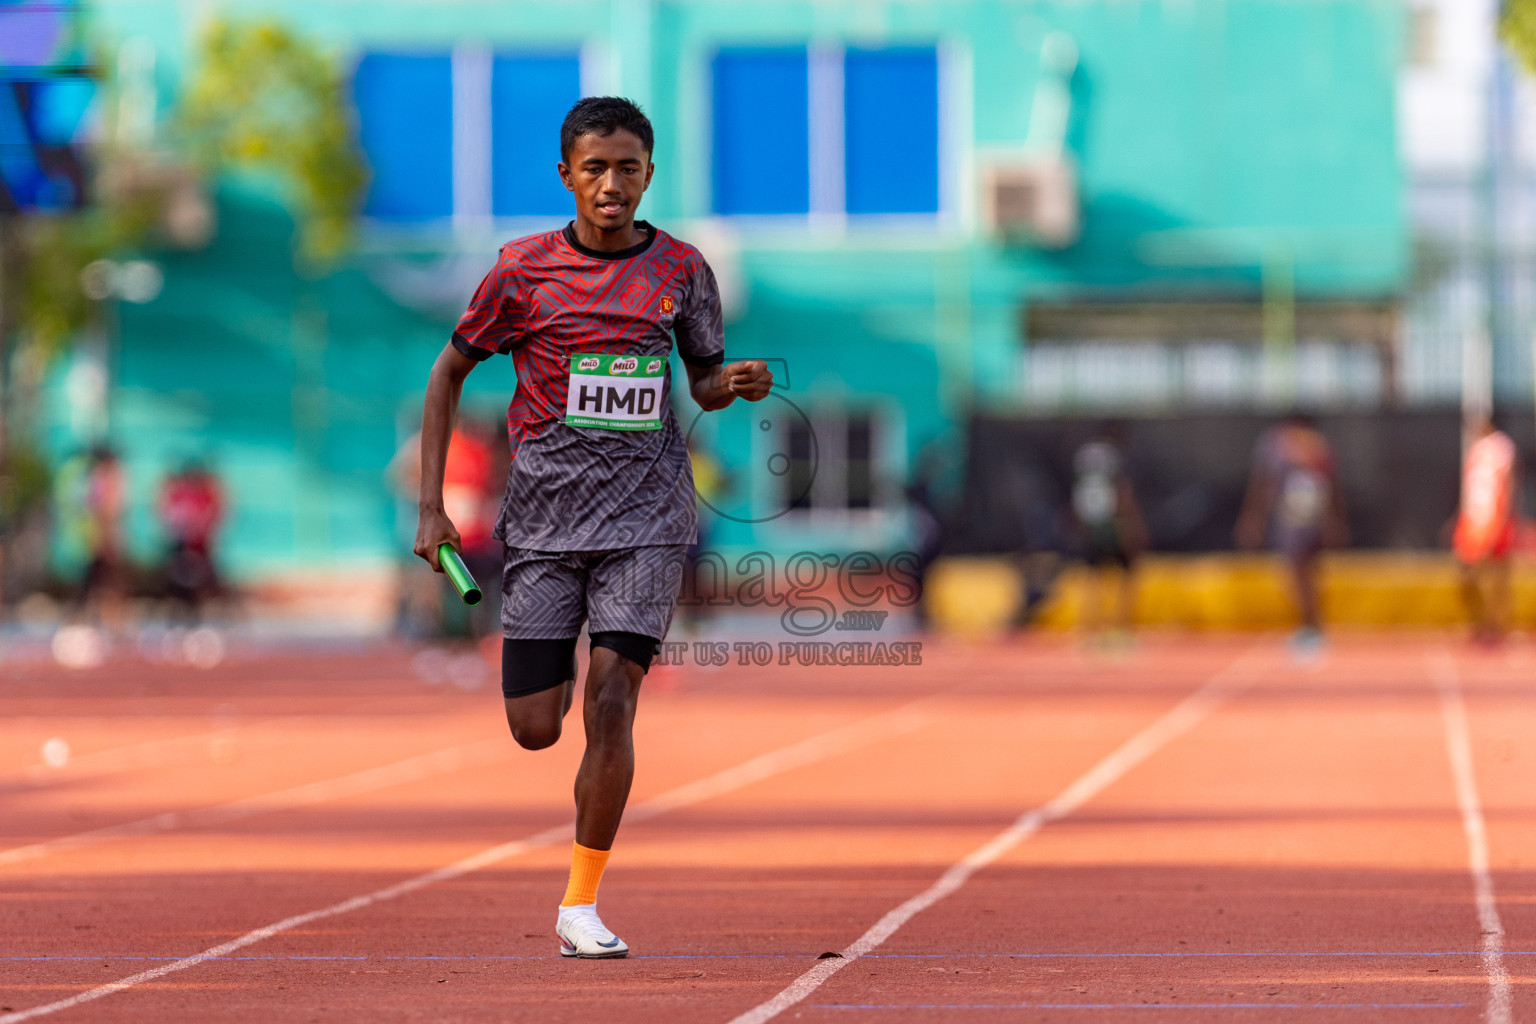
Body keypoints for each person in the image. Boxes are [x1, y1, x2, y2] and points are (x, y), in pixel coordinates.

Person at [413, 97, 772, 959]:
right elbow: (448, 372)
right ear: (567, 175)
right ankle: (553, 680)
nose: (613, 184)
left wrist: (737, 384)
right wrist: (430, 507)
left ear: (651, 175)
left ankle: (581, 906)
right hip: (541, 527)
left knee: (614, 702)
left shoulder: (683, 272)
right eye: (596, 168)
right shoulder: (521, 272)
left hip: (648, 521)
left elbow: (704, 379)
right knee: (537, 725)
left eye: (630, 169)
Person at [1236, 414, 1347, 652]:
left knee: (1300, 575)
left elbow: (1264, 482)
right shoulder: (1317, 443)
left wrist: (1253, 519)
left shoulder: (1276, 442)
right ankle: (1312, 626)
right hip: (1309, 516)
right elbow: (1332, 486)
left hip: (1296, 517)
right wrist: (1335, 520)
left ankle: (1311, 628)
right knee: (1307, 575)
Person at [1070, 426, 1147, 644]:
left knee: (1093, 578)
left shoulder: (1084, 458)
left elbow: (1079, 495)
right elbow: (1123, 492)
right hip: (1112, 526)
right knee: (1124, 578)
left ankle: (1091, 628)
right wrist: (1132, 526)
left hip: (1091, 525)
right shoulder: (1114, 459)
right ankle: (1120, 627)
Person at [1452, 414, 1520, 644]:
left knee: (1498, 575)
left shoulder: (1502, 448)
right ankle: (1480, 623)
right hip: (1473, 521)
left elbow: (1509, 484)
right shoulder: (1475, 450)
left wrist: (1503, 521)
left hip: (1495, 520)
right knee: (1467, 573)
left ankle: (1497, 626)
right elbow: (1470, 489)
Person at [158, 459, 225, 622]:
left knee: (205, 577)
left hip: (200, 542)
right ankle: (178, 610)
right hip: (183, 540)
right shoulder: (179, 493)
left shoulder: (204, 492)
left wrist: (203, 530)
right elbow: (170, 513)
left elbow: (213, 513)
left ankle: (206, 608)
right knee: (178, 578)